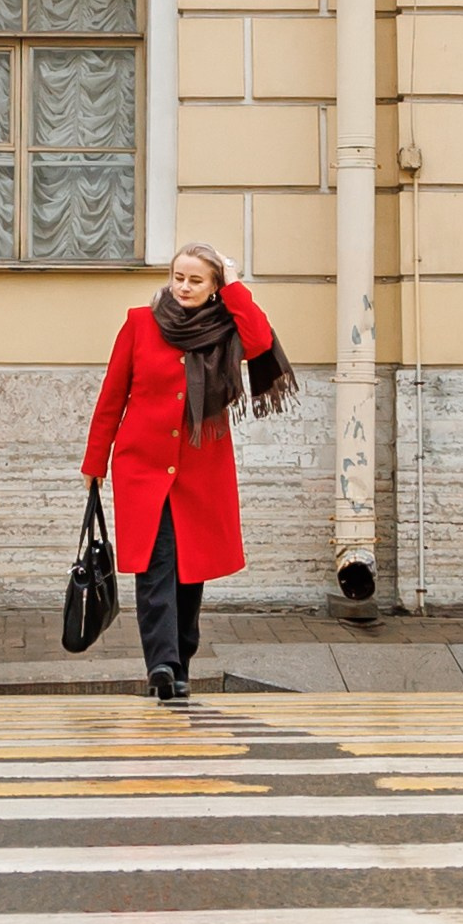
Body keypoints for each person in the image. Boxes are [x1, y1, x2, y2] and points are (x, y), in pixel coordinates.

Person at [81, 244, 296, 703]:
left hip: (201, 468)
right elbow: (112, 396)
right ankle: (161, 663)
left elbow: (259, 342)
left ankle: (182, 662)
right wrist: (95, 462)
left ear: (214, 286)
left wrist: (236, 285)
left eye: (196, 280)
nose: (183, 287)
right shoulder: (140, 322)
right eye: (179, 277)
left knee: (188, 571)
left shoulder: (225, 328)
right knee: (156, 566)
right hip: (141, 466)